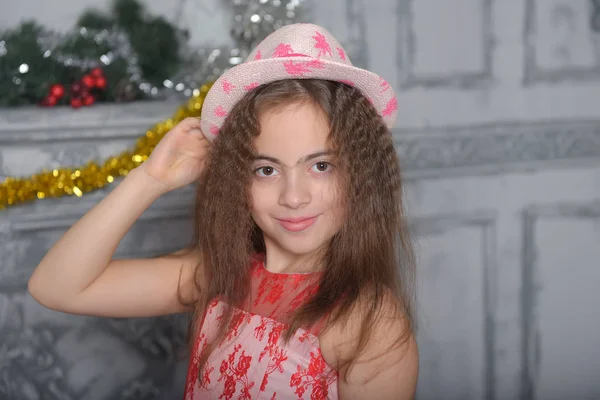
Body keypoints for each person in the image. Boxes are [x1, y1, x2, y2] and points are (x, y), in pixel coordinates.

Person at [28, 23, 419, 399]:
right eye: (266, 170)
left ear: (359, 174)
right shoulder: (215, 275)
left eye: (321, 166)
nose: (293, 196)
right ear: (239, 181)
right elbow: (56, 287)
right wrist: (150, 179)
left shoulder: (369, 324)